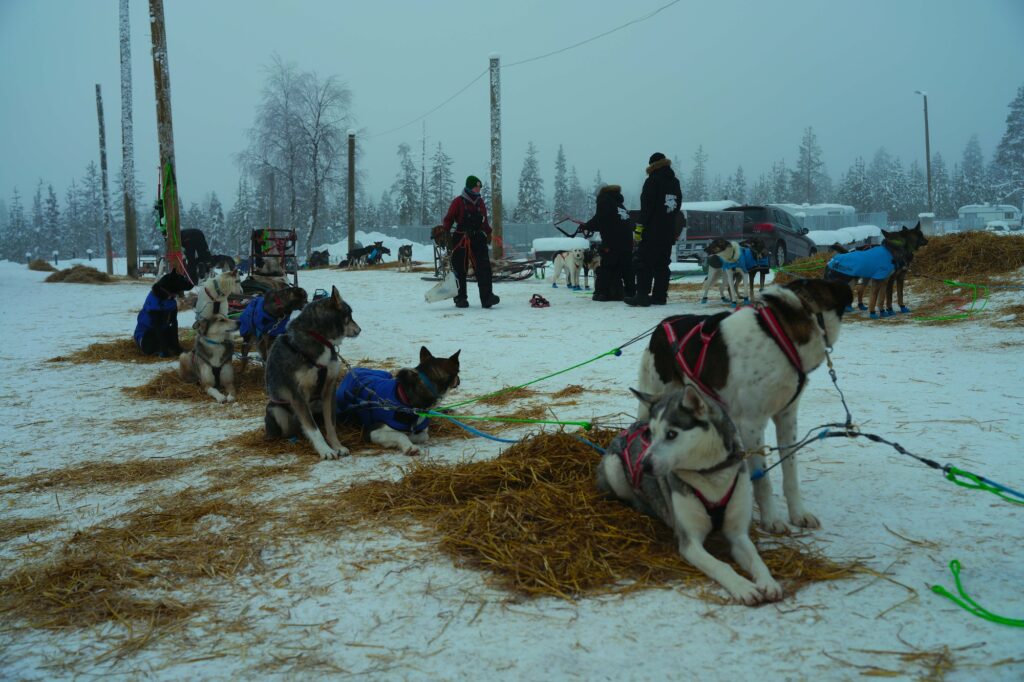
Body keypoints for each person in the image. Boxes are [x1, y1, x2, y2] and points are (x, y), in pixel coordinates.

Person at [625, 153, 683, 307]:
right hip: (668, 230)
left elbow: (647, 207)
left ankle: (642, 296)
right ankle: (659, 297)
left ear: (652, 165)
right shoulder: (675, 182)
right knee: (662, 265)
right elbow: (677, 206)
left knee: (644, 263)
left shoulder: (652, 181)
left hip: (652, 231)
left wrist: (639, 227)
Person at [442, 175, 499, 309]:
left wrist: (488, 231)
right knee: (460, 269)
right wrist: (445, 233)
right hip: (461, 237)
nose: (478, 189)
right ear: (470, 187)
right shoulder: (458, 201)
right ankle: (460, 298)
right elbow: (449, 218)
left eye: (479, 187)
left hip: (478, 237)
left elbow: (484, 219)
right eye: (476, 187)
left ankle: (487, 298)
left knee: (484, 267)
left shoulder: (480, 202)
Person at [584, 184, 634, 302]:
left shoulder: (604, 200)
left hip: (612, 242)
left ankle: (601, 293)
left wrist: (587, 225)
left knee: (606, 267)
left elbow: (600, 218)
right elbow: (610, 221)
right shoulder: (620, 205)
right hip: (627, 242)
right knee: (627, 268)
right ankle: (630, 292)